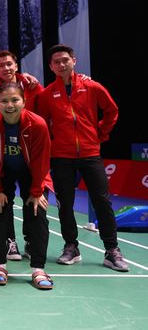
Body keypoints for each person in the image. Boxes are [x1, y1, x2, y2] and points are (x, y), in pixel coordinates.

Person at [37, 44, 127, 272]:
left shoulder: (92, 86)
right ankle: (71, 247)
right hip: (61, 156)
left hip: (90, 153)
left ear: (74, 61)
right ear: (51, 66)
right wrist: (53, 143)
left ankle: (112, 250)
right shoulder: (47, 94)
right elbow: (41, 124)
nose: (61, 64)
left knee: (102, 202)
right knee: (65, 204)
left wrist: (100, 133)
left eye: (65, 60)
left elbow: (111, 110)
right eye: (56, 62)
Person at [0, 82, 53, 289]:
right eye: (4, 101)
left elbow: (41, 161)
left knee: (37, 213)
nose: (9, 105)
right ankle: (0, 265)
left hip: (33, 174)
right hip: (2, 174)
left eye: (14, 100)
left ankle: (38, 268)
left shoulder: (37, 124)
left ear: (24, 101)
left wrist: (37, 191)